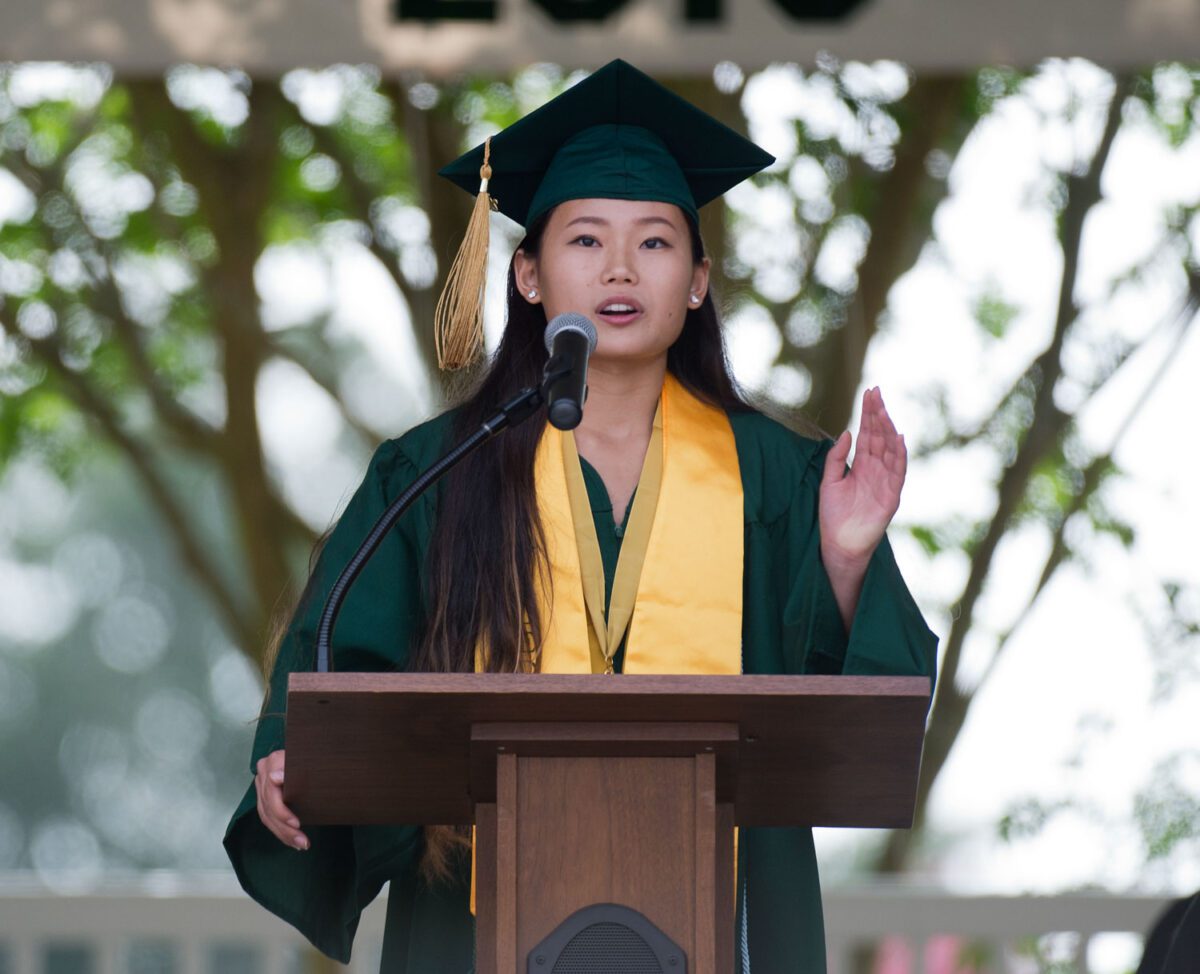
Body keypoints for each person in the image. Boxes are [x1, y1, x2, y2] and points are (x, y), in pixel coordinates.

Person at [224, 58, 939, 973]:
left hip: (727, 921)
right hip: (477, 917)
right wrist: (297, 752)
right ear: (526, 275)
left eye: (654, 243)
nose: (619, 268)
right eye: (585, 240)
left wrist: (843, 557)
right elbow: (342, 652)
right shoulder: (442, 468)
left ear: (695, 281)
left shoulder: (779, 479)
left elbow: (852, 721)